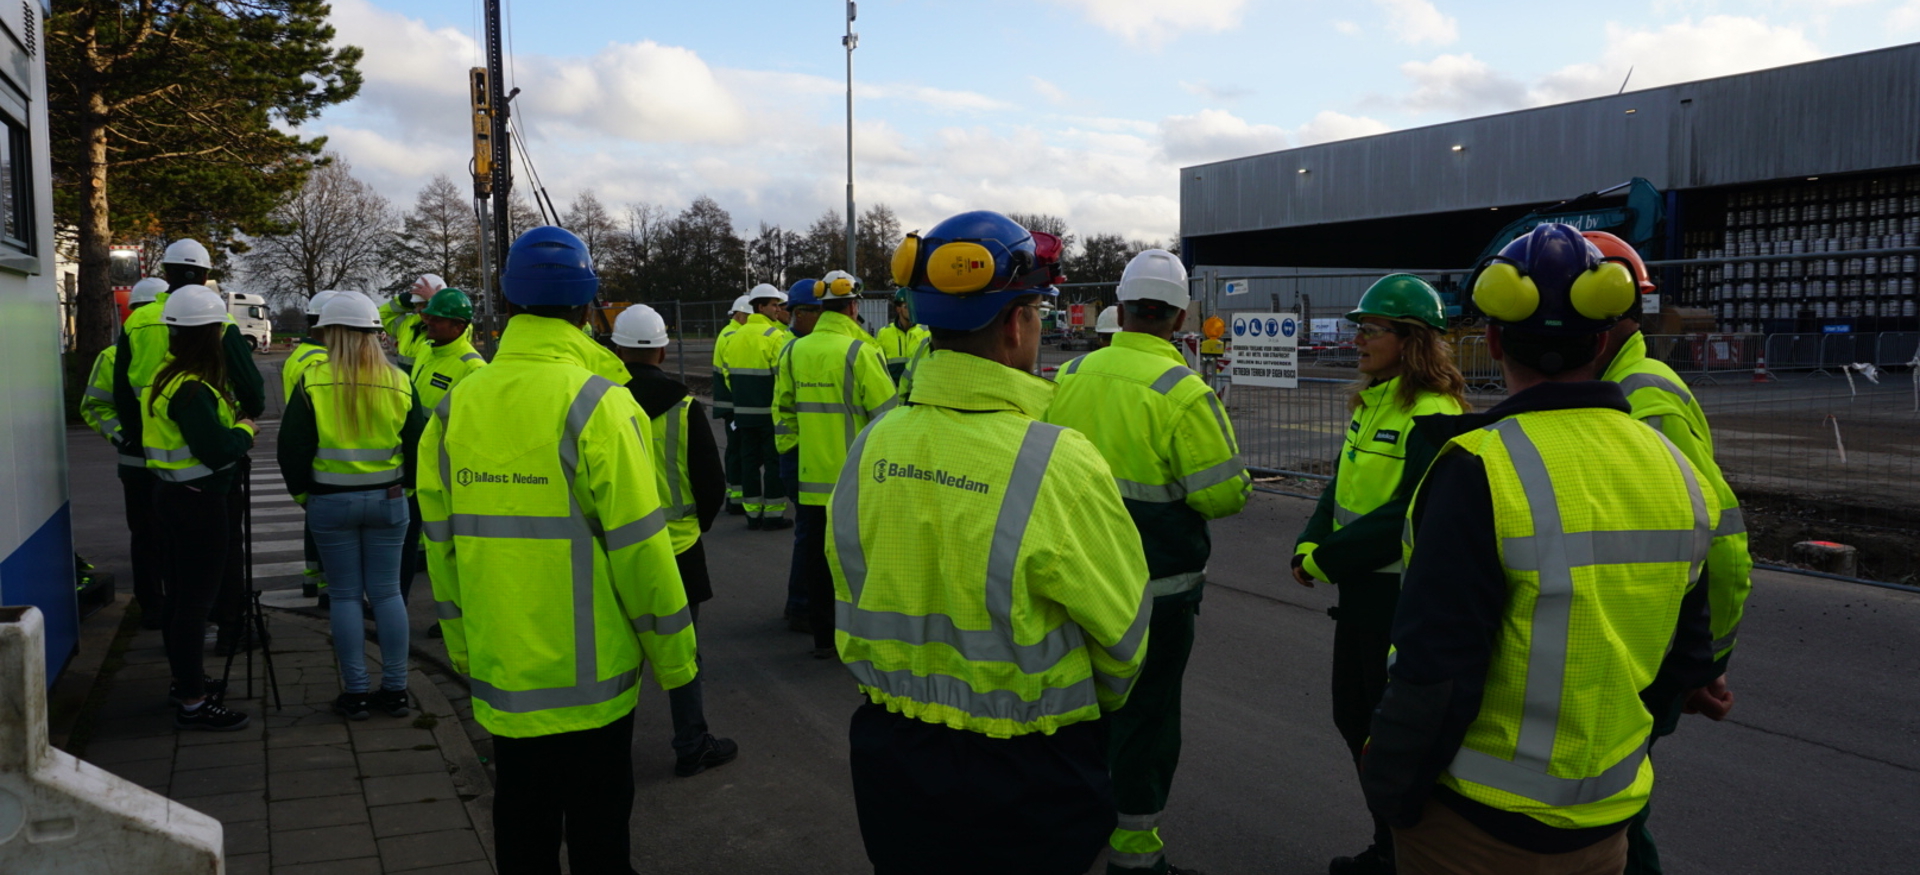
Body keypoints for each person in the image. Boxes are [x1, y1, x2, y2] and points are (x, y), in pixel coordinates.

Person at [1361, 223, 1722, 875]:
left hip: (1476, 825)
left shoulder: (1476, 467)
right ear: (1604, 338)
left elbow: (1434, 670)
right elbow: (1690, 640)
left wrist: (1388, 786)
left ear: (1494, 338)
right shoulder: (1675, 466)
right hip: (1607, 823)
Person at [829, 210, 1152, 875]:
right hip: (1029, 775)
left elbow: (849, 583)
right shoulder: (1057, 460)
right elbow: (1124, 639)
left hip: (892, 758)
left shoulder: (871, 445)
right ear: (1016, 323)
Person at [417, 226, 697, 874]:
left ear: (506, 301)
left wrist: (464, 648)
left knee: (522, 835)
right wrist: (678, 662)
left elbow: (443, 552)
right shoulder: (601, 404)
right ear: (587, 305)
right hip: (593, 689)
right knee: (601, 845)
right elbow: (642, 553)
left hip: (505, 676)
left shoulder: (457, 408)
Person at [1045, 248, 1251, 875]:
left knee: (1078, 709)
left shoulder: (1072, 375)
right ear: (1181, 314)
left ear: (1124, 307)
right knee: (1146, 718)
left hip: (1076, 578)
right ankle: (1133, 856)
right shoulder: (1183, 392)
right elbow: (1222, 494)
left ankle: (1071, 831)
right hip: (1156, 588)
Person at [1289, 274, 1468, 875]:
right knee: (1355, 717)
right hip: (1362, 592)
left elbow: (1411, 509)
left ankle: (1404, 853)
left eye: (1371, 329)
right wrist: (1309, 539)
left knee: (1388, 732)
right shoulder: (1372, 401)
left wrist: (1330, 557)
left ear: (1410, 338)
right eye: (1358, 328)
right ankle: (1390, 845)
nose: (1358, 338)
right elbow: (1340, 484)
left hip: (1398, 595)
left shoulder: (1435, 414)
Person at [1583, 231, 1747, 874]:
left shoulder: (1638, 396)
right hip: (1631, 644)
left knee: (1614, 818)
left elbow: (1722, 545)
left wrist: (1704, 663)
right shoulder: (1619, 383)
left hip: (1641, 656)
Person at [278, 292, 425, 721]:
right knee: (387, 594)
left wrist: (305, 495)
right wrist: (407, 491)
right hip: (389, 500)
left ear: (331, 333)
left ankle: (356, 692)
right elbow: (418, 444)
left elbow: (292, 449)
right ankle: (396, 689)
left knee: (343, 596)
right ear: (373, 335)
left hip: (329, 502)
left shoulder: (313, 379)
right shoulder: (398, 379)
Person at [113, 239, 264, 653]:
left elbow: (123, 392)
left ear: (165, 272)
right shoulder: (216, 318)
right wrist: (241, 426)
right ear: (203, 273)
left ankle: (168, 628)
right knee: (224, 546)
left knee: (165, 553)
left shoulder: (139, 319)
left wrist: (143, 438)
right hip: (209, 467)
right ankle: (229, 628)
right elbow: (252, 390)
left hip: (154, 464)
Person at [609, 304, 741, 777]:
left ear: (618, 349)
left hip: (618, 549)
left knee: (619, 651)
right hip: (679, 549)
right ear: (664, 350)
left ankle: (609, 750)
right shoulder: (684, 409)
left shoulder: (603, 403)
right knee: (683, 651)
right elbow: (711, 484)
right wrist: (696, 524)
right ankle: (691, 742)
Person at [139, 285, 257, 731]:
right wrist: (245, 430)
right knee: (195, 603)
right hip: (199, 504)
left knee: (179, 599)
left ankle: (185, 681)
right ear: (208, 334)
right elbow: (216, 449)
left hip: (171, 498)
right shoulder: (192, 389)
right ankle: (193, 700)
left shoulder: (164, 376)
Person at [775, 271, 896, 658]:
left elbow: (783, 414)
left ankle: (822, 636)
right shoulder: (860, 352)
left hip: (810, 476)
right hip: (855, 481)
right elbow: (887, 417)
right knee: (858, 558)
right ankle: (860, 637)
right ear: (853, 307)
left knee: (814, 554)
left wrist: (798, 459)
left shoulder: (794, 351)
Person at [81, 276, 171, 627]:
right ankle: (163, 607)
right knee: (165, 538)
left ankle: (154, 609)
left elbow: (94, 408)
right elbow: (96, 407)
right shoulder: (177, 350)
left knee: (146, 539)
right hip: (168, 466)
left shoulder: (113, 354)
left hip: (136, 465)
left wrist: (122, 438)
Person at [401, 287, 488, 624]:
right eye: (428, 315)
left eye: (437, 318)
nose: (428, 322)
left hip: (447, 473)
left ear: (459, 326)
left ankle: (459, 616)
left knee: (450, 547)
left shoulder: (472, 367)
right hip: (417, 467)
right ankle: (398, 607)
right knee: (413, 545)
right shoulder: (427, 350)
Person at [720, 284, 793, 531]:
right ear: (760, 307)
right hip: (769, 414)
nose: (777, 309)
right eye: (773, 304)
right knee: (773, 464)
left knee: (748, 462)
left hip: (743, 413)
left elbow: (729, 376)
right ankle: (772, 515)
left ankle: (752, 514)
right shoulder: (774, 336)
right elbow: (783, 378)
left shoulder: (734, 336)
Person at [286, 289, 341, 600]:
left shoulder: (300, 355)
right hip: (323, 451)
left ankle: (312, 577)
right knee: (324, 528)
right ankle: (322, 582)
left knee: (315, 522)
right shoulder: (319, 361)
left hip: (308, 449)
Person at [712, 293, 756, 515]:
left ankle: (735, 495)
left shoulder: (729, 333)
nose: (750, 319)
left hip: (729, 402)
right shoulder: (732, 336)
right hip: (733, 403)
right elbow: (733, 374)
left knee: (736, 450)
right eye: (748, 315)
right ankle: (736, 497)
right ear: (738, 314)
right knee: (738, 450)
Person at [380, 274, 444, 372]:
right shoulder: (408, 323)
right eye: (418, 304)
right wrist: (405, 299)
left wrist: (437, 301)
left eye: (427, 304)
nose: (420, 310)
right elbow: (383, 315)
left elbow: (459, 327)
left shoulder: (452, 329)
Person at [873, 287, 930, 383]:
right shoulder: (884, 333)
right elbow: (878, 364)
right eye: (907, 307)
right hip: (893, 390)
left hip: (917, 390)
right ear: (898, 309)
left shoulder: (925, 331)